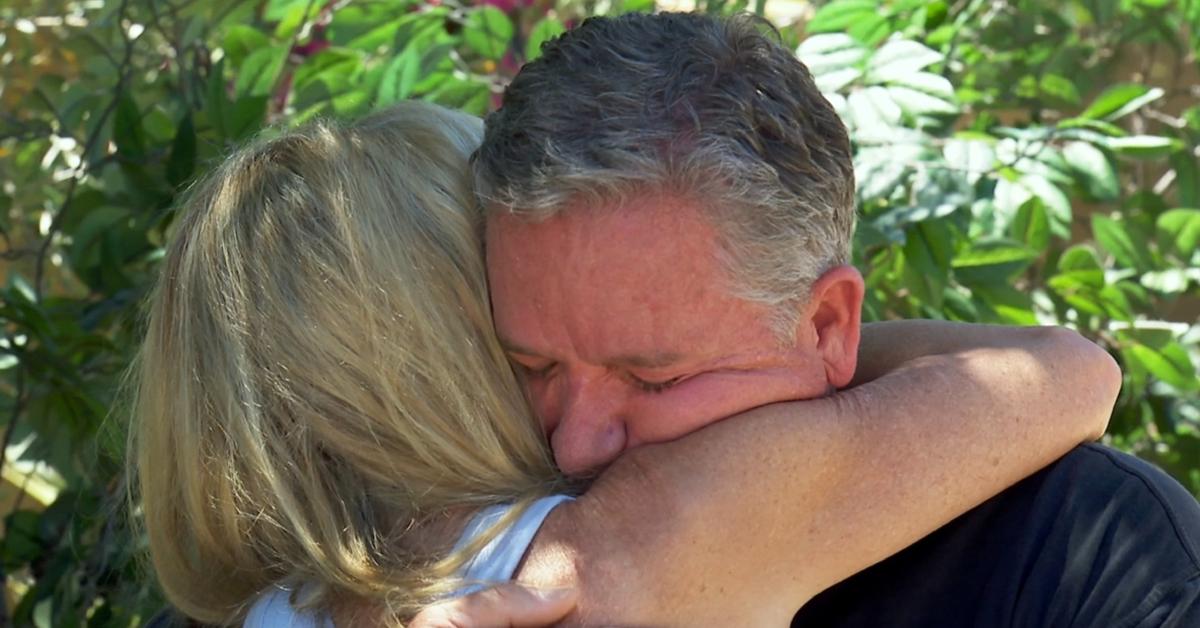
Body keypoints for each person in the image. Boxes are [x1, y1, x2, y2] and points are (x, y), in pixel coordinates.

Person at [130, 101, 1119, 626]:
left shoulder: (270, 606)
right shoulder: (618, 545)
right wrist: (814, 344)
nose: (578, 423)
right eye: (529, 348)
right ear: (456, 334)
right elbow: (1061, 375)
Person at [445, 10, 1200, 627]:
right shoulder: (466, 532)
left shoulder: (1082, 549)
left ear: (828, 328)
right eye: (534, 367)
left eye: (653, 377)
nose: (574, 443)